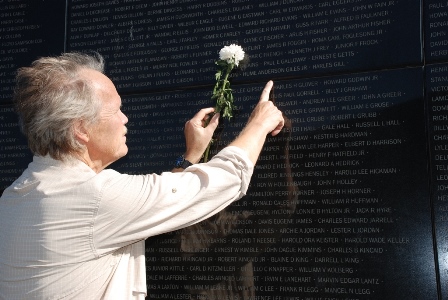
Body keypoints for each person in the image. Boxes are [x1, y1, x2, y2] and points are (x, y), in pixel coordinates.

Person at [0, 52, 284, 299]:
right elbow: (219, 183)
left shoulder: (13, 197)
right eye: (116, 109)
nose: (125, 118)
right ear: (81, 130)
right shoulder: (96, 200)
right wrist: (259, 123)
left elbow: (146, 210)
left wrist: (189, 159)